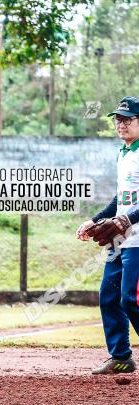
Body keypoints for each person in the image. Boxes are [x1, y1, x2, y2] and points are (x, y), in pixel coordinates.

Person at [76, 96, 139, 374]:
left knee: (131, 299)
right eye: (118, 118)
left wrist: (128, 219)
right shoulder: (123, 153)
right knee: (108, 296)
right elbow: (121, 199)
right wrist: (96, 219)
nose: (120, 123)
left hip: (138, 237)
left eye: (128, 118)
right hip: (120, 238)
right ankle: (121, 357)